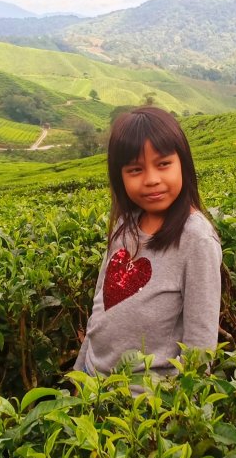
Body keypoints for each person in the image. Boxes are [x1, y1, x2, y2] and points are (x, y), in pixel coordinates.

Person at [73, 106, 222, 380]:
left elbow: (200, 345)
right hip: (91, 384)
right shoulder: (124, 226)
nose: (152, 180)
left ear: (183, 165)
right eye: (135, 169)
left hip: (143, 401)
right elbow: (99, 311)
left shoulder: (196, 239)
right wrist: (79, 373)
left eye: (163, 164)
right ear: (120, 177)